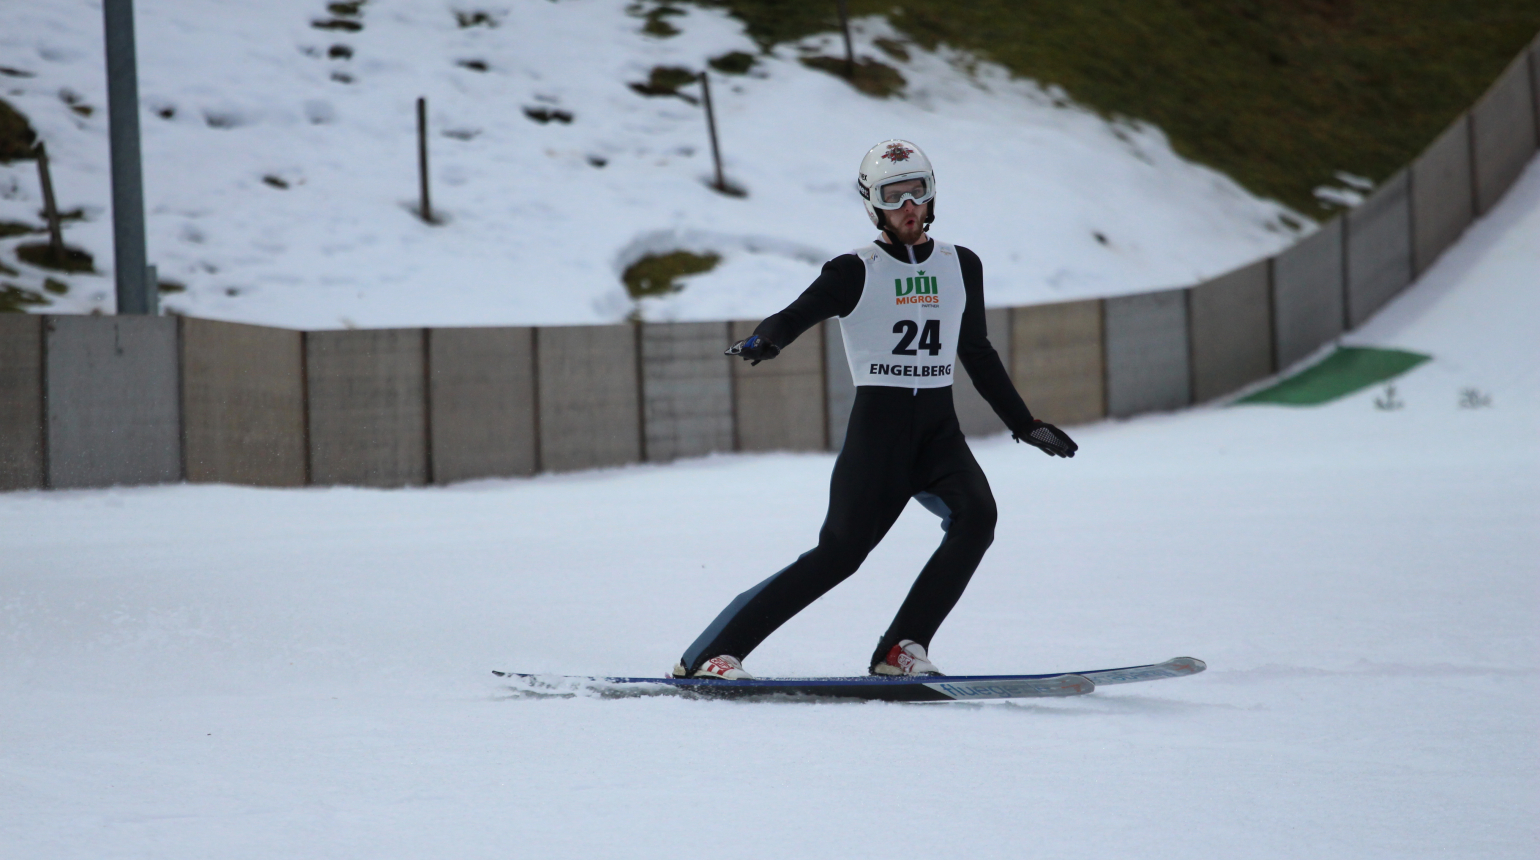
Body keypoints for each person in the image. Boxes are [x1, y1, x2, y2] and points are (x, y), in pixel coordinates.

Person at [672, 139, 1079, 681]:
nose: (908, 205)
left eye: (918, 191)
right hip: (879, 435)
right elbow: (798, 313)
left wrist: (1023, 423)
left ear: (932, 197)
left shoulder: (963, 265)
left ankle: (901, 649)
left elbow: (976, 351)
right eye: (895, 195)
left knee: (977, 517)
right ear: (874, 205)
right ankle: (709, 656)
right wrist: (766, 340)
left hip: (938, 432)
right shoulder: (853, 270)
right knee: (838, 556)